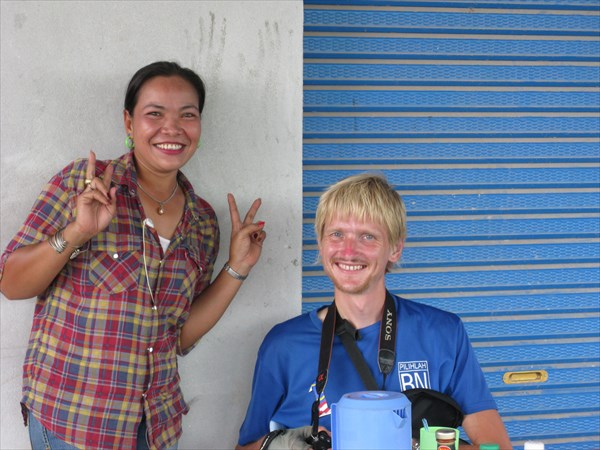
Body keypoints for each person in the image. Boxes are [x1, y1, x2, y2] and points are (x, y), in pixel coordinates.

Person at [0, 61, 266, 450]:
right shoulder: (84, 184)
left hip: (155, 427)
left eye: (187, 115)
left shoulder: (203, 221)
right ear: (129, 123)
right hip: (75, 422)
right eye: (154, 113)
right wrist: (78, 231)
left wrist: (237, 268)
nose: (172, 128)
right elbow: (11, 284)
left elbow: (179, 336)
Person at [236, 173, 512, 450]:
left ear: (395, 249)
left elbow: (496, 447)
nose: (348, 251)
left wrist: (415, 445)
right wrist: (278, 445)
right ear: (320, 243)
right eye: (336, 234)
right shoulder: (283, 344)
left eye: (367, 236)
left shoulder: (443, 332)